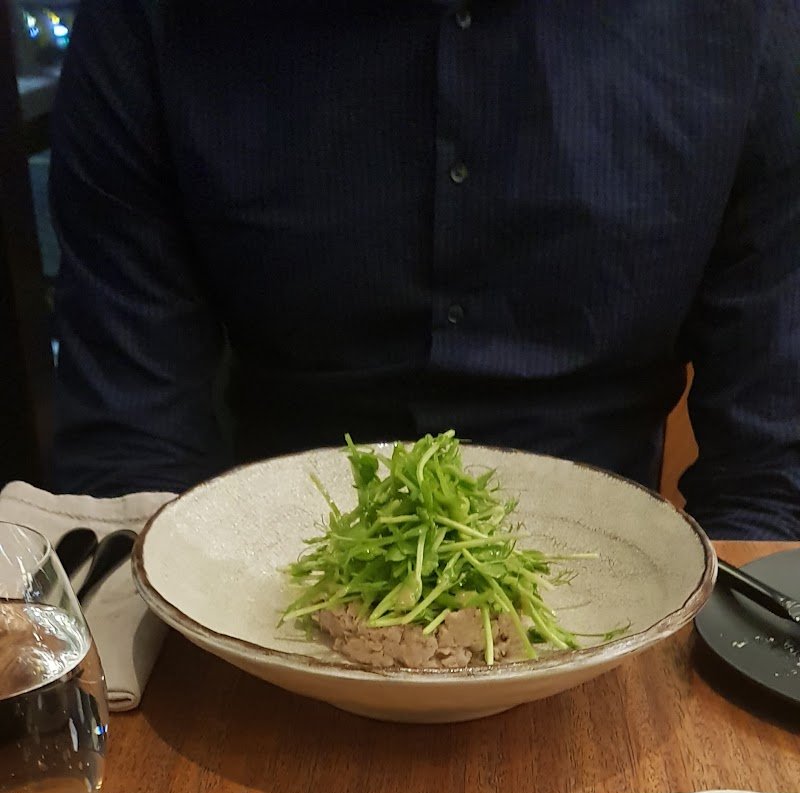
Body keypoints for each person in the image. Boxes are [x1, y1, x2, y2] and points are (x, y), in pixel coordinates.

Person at [49, 0, 800, 540]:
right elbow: (130, 449)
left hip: (614, 580)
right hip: (257, 580)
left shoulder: (754, 22)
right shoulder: (153, 21)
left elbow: (771, 475)